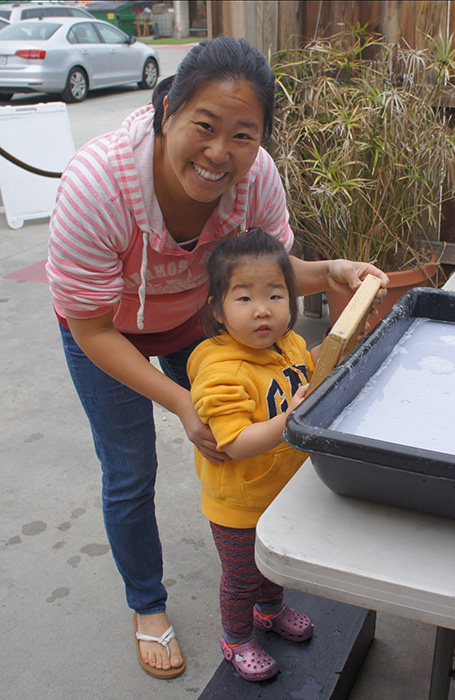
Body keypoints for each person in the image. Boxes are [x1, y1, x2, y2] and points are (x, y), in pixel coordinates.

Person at [46, 36, 387, 679]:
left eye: (243, 135)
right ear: (167, 108)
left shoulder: (255, 179)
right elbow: (92, 329)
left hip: (196, 324)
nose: (219, 153)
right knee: (129, 469)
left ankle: (260, 590)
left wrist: (334, 270)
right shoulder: (97, 187)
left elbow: (271, 273)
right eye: (205, 125)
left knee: (252, 436)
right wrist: (182, 403)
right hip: (110, 334)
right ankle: (148, 606)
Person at [188, 229, 320, 681]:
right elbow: (236, 441)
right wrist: (292, 419)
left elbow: (306, 371)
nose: (263, 309)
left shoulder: (289, 346)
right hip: (238, 504)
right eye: (244, 298)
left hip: (278, 490)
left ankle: (271, 611)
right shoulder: (223, 372)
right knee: (242, 578)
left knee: (274, 561)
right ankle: (236, 637)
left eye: (275, 295)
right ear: (217, 311)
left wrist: (346, 341)